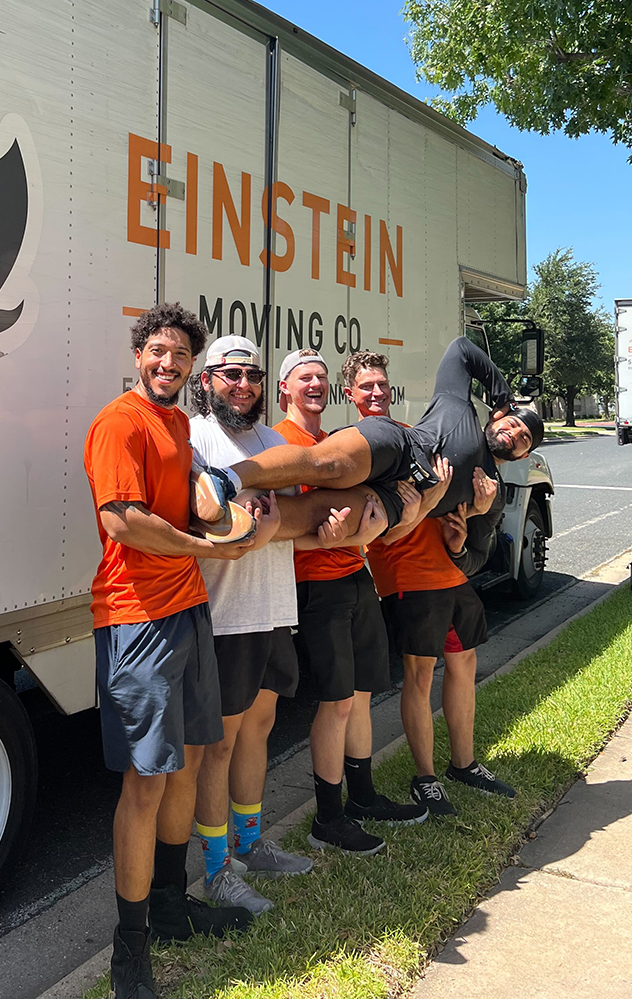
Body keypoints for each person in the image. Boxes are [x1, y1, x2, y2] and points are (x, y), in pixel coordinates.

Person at [83, 304, 259, 999]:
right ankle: (130, 949)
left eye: (181, 355)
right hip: (136, 620)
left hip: (187, 610)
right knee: (145, 782)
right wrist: (207, 546)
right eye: (159, 351)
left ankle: (170, 906)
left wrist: (221, 510)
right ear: (138, 356)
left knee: (186, 764)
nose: (169, 364)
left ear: (193, 367)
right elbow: (121, 521)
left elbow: (189, 496)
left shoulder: (178, 422)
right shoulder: (117, 423)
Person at [188, 336, 338, 915]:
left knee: (260, 728)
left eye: (251, 375)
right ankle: (217, 869)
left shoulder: (275, 442)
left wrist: (317, 526)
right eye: (230, 375)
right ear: (207, 381)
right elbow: (192, 519)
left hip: (274, 607)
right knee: (219, 746)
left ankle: (250, 847)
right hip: (223, 613)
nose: (243, 385)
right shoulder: (196, 438)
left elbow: (295, 518)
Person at [343, 350, 517, 816]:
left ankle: (464, 763)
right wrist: (429, 500)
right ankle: (426, 779)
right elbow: (379, 529)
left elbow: (451, 508)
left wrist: (474, 514)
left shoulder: (412, 435)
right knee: (419, 677)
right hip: (408, 576)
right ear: (351, 395)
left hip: (449, 571)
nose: (376, 392)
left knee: (465, 665)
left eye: (381, 384)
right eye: (366, 387)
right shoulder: (359, 447)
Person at [275, 349, 429, 856]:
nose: (314, 384)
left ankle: (363, 798)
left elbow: (371, 528)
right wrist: (331, 541)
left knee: (362, 693)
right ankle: (329, 817)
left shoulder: (339, 443)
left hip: (356, 578)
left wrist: (410, 512)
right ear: (285, 390)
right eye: (305, 378)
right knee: (337, 702)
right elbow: (279, 530)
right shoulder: (283, 445)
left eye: (320, 376)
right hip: (316, 587)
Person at [191, 337, 544, 533]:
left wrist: (471, 515)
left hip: (400, 501)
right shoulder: (459, 406)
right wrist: (502, 396)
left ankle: (234, 521)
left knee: (322, 516)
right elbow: (461, 350)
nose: (514, 433)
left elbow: (474, 555)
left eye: (524, 438)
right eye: (514, 422)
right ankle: (226, 480)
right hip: (400, 448)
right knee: (326, 464)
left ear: (524, 454)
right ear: (501, 417)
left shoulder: (491, 493)